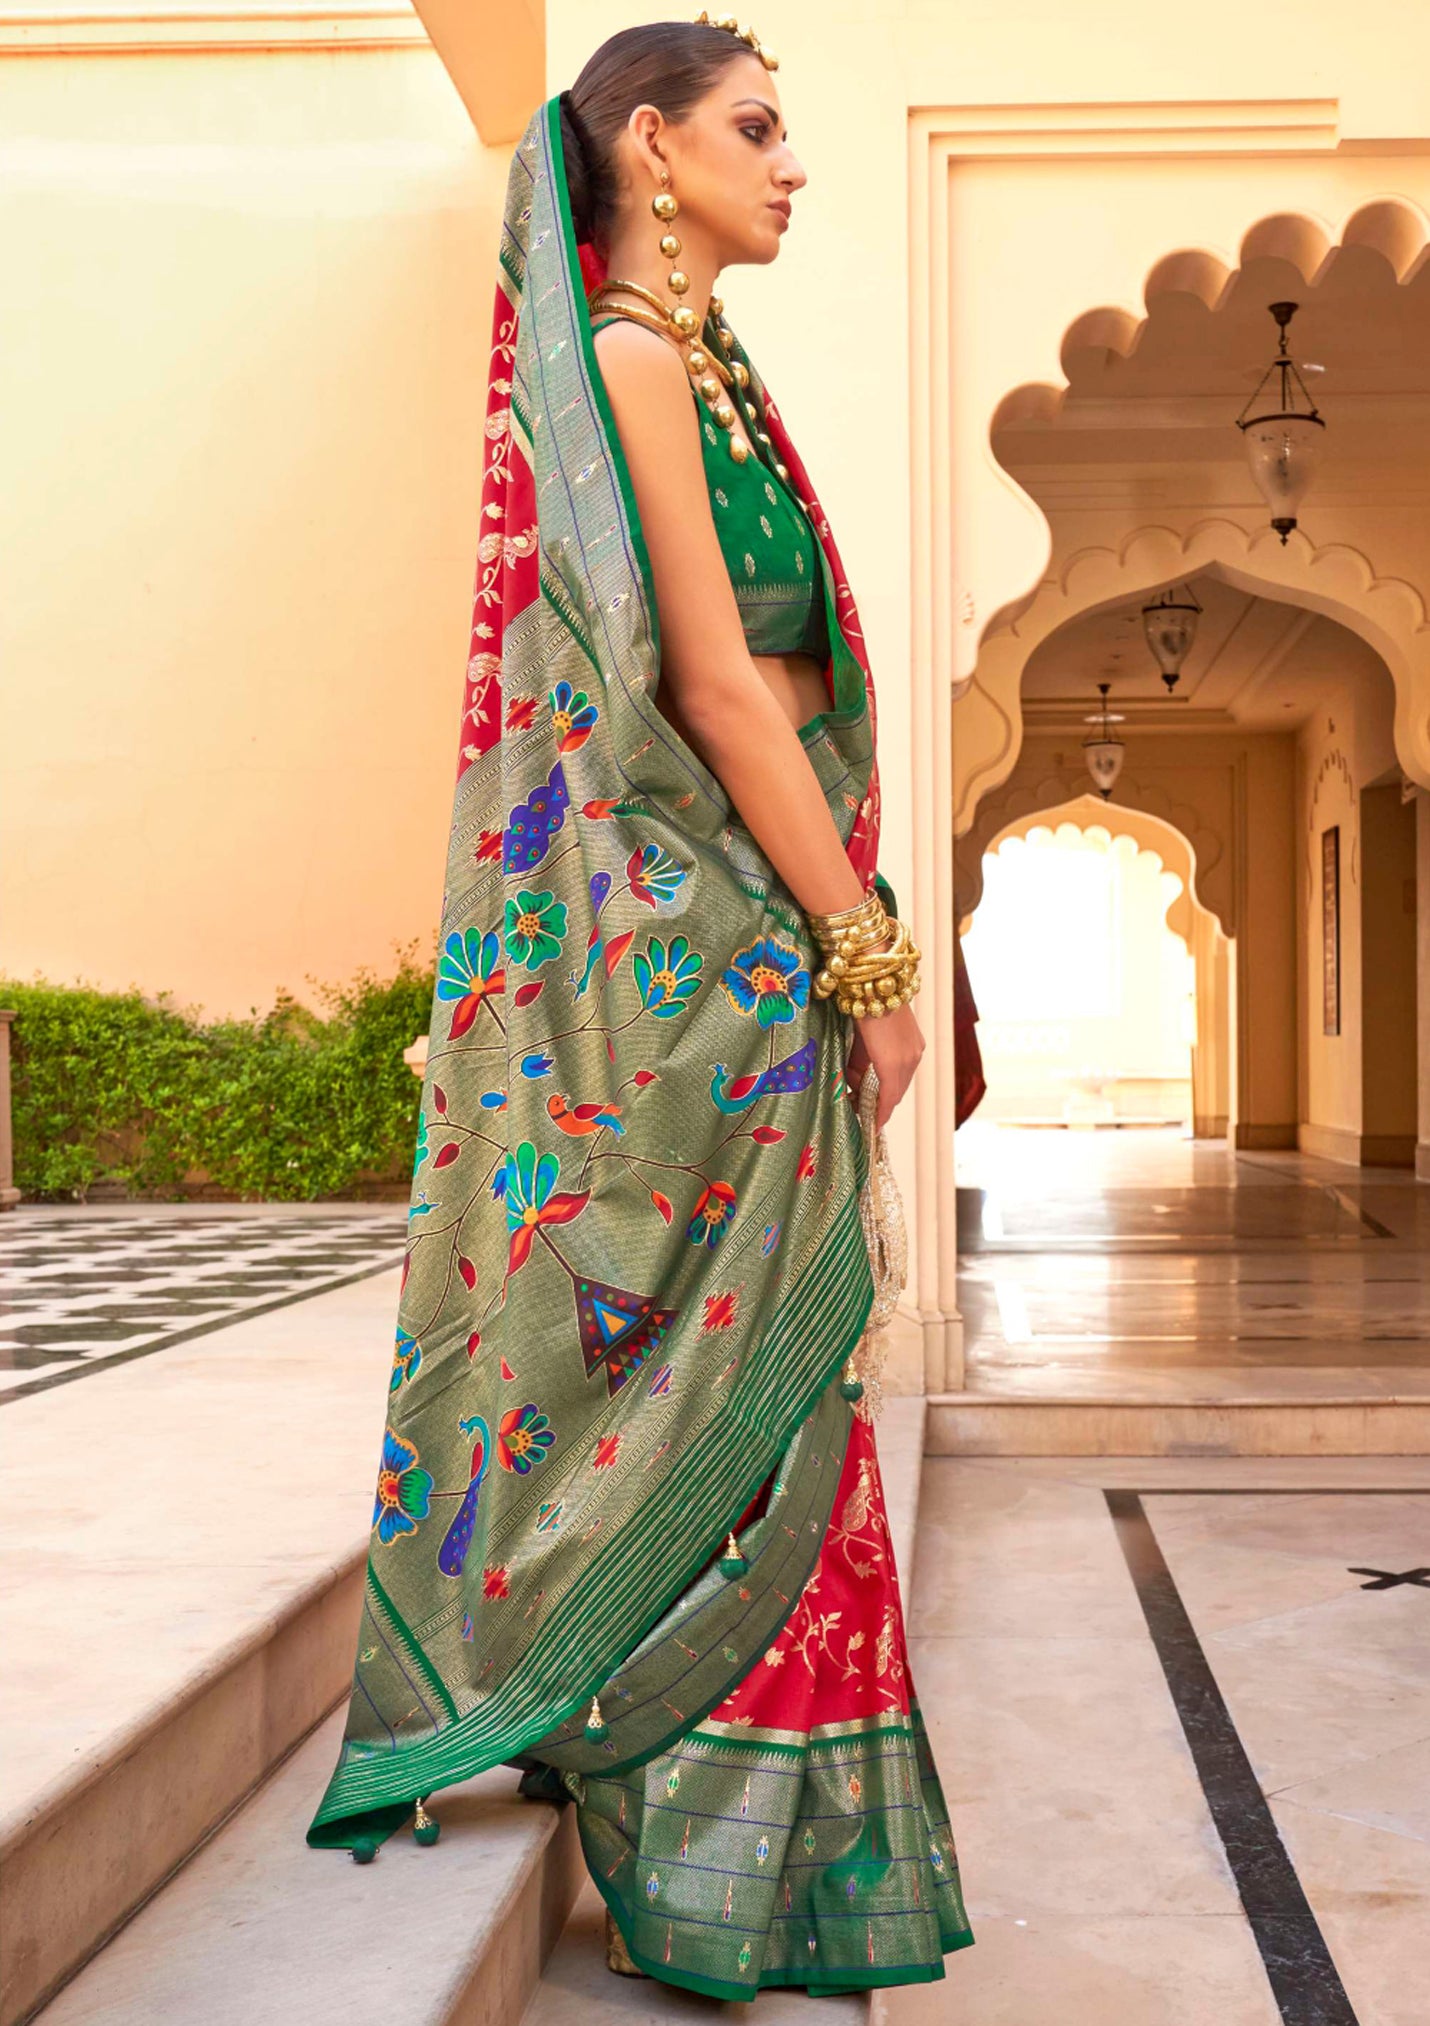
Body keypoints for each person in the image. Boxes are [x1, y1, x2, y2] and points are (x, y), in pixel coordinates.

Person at [307, 14, 974, 2000]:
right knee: (744, 1396)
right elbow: (709, 684)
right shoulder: (622, 361)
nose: (792, 164)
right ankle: (704, 1837)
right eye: (757, 130)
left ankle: (729, 1821)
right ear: (651, 148)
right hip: (696, 957)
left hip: (742, 925)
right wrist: (862, 942)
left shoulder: (699, 372)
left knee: (764, 1390)